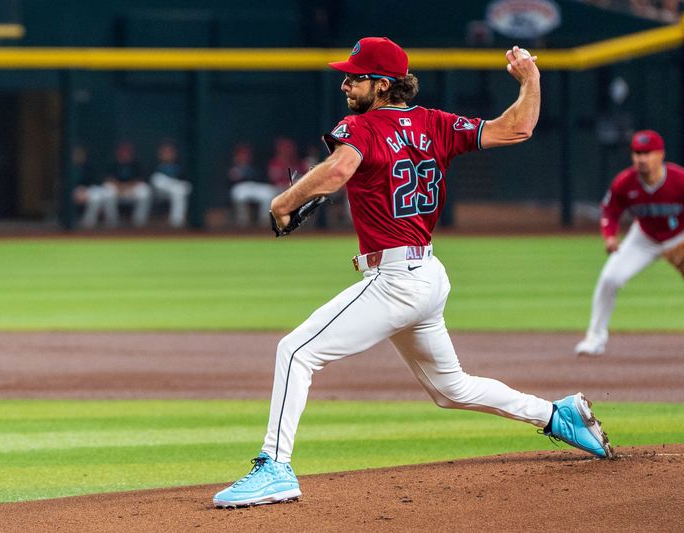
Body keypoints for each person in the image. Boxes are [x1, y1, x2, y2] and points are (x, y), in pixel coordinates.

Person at [213, 37, 614, 509]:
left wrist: (283, 203)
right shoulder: (436, 123)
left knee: (295, 351)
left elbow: (340, 168)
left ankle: (274, 467)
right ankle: (557, 415)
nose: (345, 83)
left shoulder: (359, 126)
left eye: (355, 77)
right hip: (426, 274)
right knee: (452, 388)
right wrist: (532, 81)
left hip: (396, 280)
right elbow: (517, 128)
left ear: (383, 85)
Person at [575, 129, 684, 356]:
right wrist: (610, 235)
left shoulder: (678, 179)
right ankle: (595, 339)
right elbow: (610, 210)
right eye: (637, 153)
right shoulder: (625, 182)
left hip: (678, 236)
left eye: (647, 153)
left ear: (661, 154)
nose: (642, 158)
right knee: (610, 278)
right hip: (643, 238)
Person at [104, 141, 152, 227]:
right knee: (107, 191)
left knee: (145, 191)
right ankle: (112, 222)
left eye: (127, 152)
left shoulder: (136, 164)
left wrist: (128, 187)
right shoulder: (113, 164)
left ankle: (139, 222)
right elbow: (109, 180)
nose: (125, 154)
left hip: (132, 190)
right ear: (118, 153)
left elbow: (140, 179)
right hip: (117, 189)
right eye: (122, 152)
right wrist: (120, 187)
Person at [71, 146, 118, 229]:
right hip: (74, 190)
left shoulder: (88, 167)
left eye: (81, 154)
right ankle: (87, 225)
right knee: (95, 198)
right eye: (77, 154)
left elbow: (95, 182)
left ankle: (111, 223)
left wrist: (85, 190)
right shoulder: (68, 168)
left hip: (88, 190)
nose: (79, 156)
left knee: (104, 195)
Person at [149, 139, 192, 228]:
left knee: (179, 191)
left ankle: (176, 223)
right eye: (165, 152)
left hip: (177, 191)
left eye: (170, 152)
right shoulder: (155, 165)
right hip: (159, 193)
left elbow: (186, 183)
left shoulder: (180, 166)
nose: (167, 155)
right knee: (157, 178)